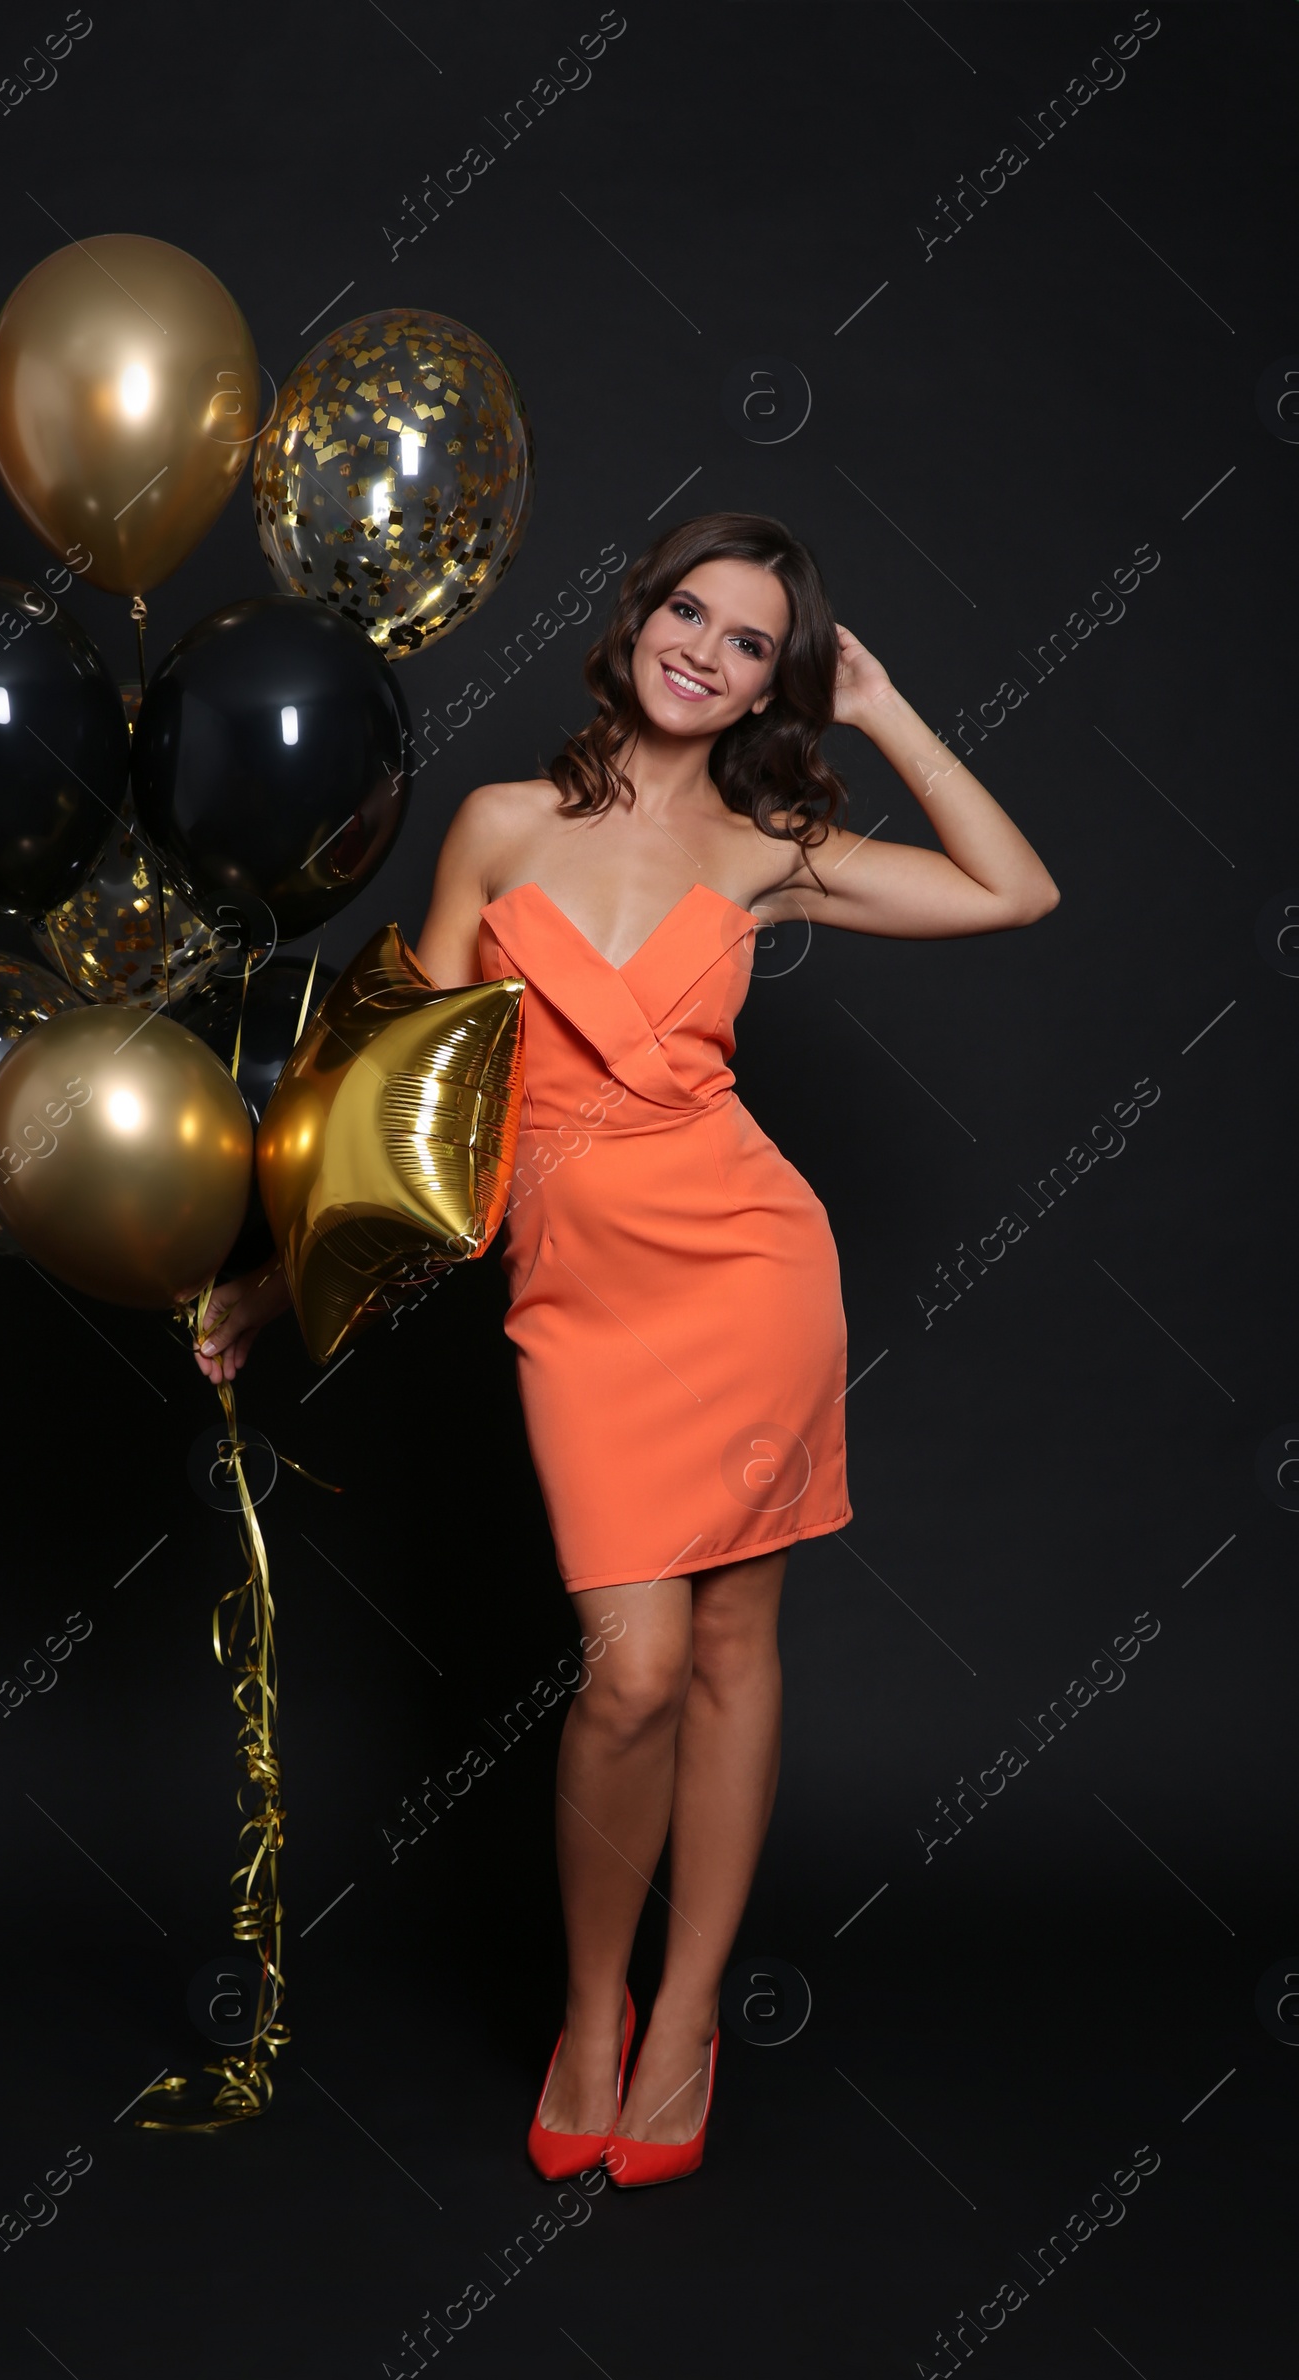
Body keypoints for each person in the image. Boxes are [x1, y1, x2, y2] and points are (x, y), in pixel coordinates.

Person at [191, 511, 1059, 2186]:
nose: (707, 653)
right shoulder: (500, 827)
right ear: (636, 617)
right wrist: (267, 1283)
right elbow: (393, 1117)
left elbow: (1014, 891)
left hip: (751, 1275)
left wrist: (878, 708)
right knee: (634, 1673)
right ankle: (594, 2012)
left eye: (751, 644)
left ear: (765, 686)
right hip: (579, 1302)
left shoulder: (769, 843)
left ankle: (686, 2020)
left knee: (732, 1655)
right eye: (689, 613)